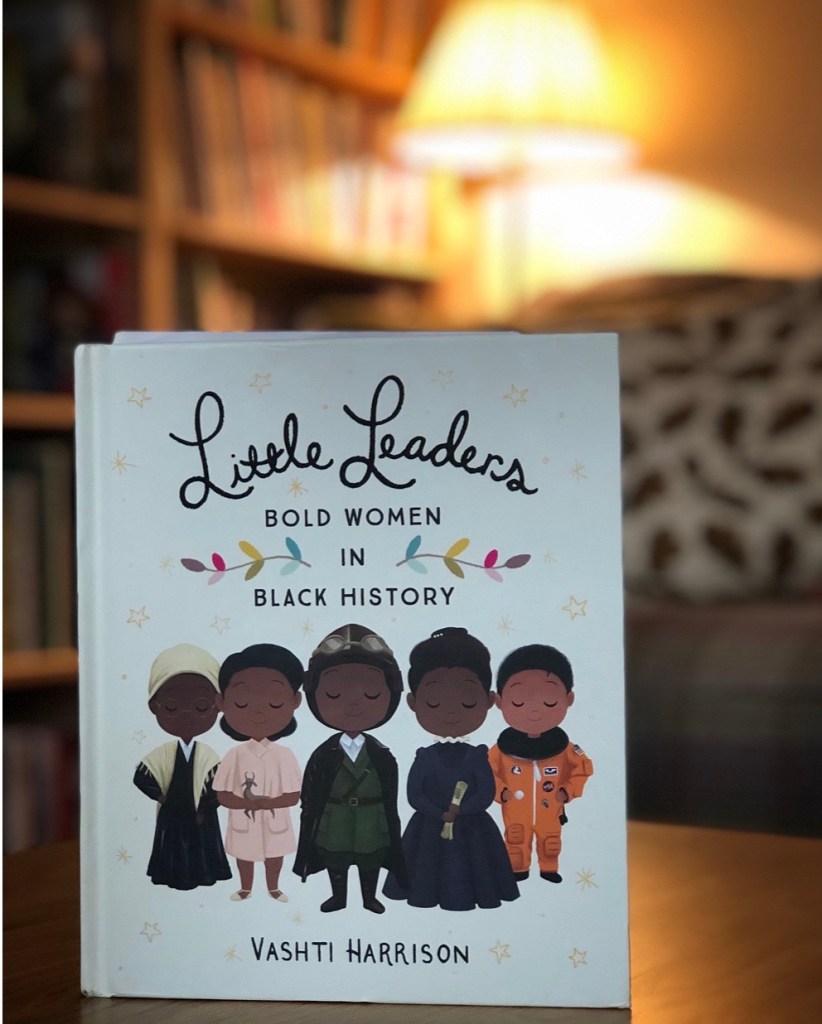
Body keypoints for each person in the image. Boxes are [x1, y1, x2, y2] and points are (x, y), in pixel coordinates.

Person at [384, 627, 519, 911]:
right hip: (428, 830)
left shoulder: (478, 756)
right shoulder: (424, 757)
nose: (450, 711)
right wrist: (439, 813)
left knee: (474, 870)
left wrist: (461, 811)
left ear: (488, 700)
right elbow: (414, 794)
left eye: (468, 701)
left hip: (473, 831)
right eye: (433, 702)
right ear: (413, 702)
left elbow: (486, 792)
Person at [294, 624, 406, 914]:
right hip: (335, 817)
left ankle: (370, 897)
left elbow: (392, 797)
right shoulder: (323, 754)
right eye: (333, 693)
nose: (354, 702)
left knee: (371, 859)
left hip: (372, 817)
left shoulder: (382, 755)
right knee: (336, 859)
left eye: (372, 692)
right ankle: (338, 897)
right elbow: (309, 793)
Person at [489, 644, 593, 883]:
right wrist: (500, 792)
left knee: (551, 841)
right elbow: (487, 771)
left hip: (550, 808)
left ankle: (549, 868)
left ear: (568, 699)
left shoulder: (565, 748)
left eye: (549, 702)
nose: (534, 710)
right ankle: (518, 870)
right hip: (515, 810)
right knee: (515, 839)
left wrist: (569, 790)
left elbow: (583, 768)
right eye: (518, 702)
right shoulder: (501, 749)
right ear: (500, 701)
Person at [133, 643, 231, 890]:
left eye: (201, 705)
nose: (186, 714)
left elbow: (220, 786)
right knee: (174, 847)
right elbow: (141, 777)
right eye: (171, 706)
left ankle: (203, 874)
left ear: (218, 705)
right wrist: (160, 797)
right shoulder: (162, 754)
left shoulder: (209, 755)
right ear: (154, 706)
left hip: (201, 816)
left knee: (200, 847)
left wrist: (206, 806)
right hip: (173, 814)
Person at [212, 644, 303, 902]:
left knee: (275, 853)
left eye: (274, 701)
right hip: (244, 819)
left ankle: (274, 888)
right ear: (222, 702)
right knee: (244, 854)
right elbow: (222, 794)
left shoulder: (284, 755)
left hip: (275, 819)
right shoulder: (234, 755)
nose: (259, 710)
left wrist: (268, 804)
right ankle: (246, 888)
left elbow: (294, 795)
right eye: (242, 702)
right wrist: (246, 803)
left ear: (294, 701)